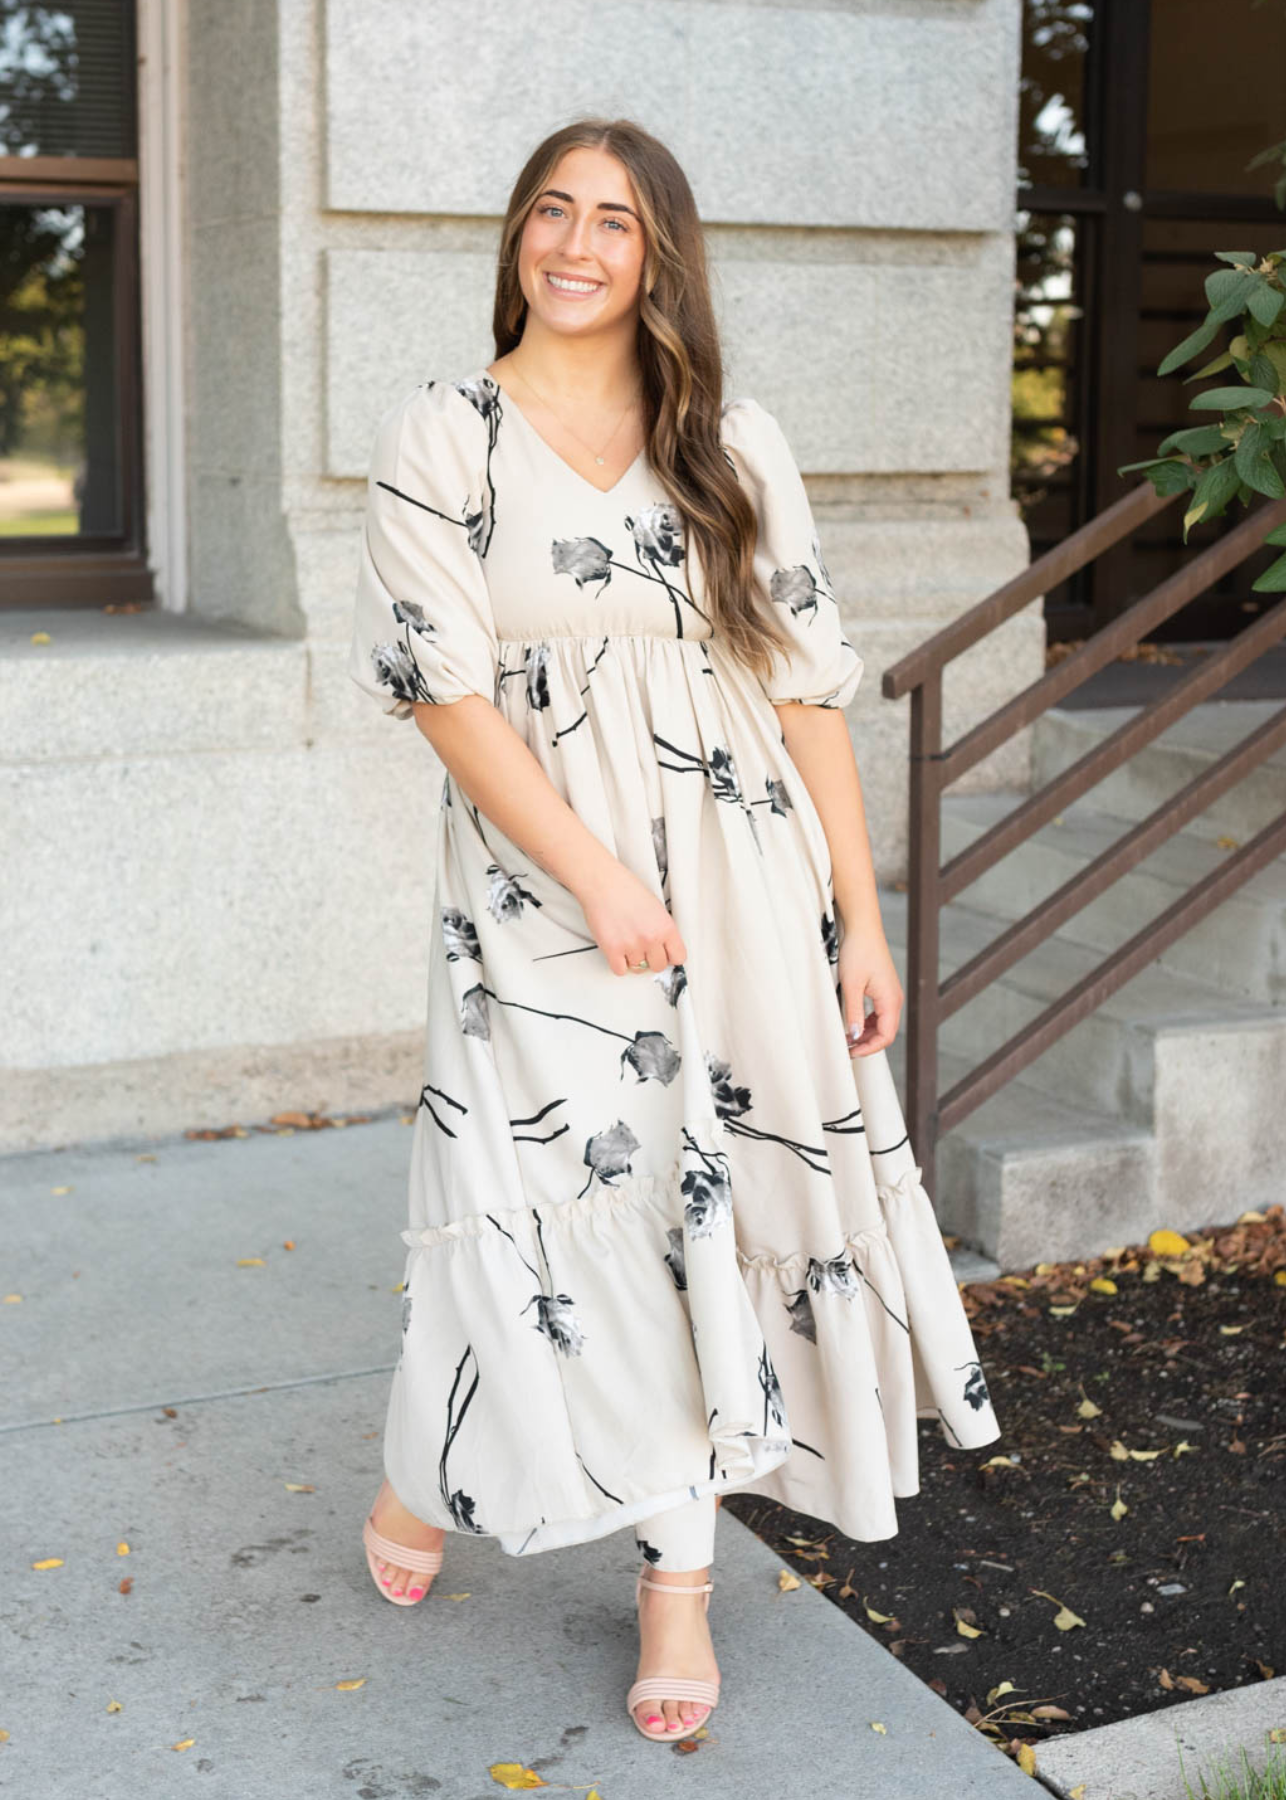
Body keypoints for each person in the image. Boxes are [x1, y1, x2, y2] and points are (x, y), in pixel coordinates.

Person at [347, 116, 1002, 1743]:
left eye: (615, 223)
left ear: (660, 257)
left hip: (744, 883)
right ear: (515, 235)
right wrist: (593, 874)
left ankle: (676, 1582)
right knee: (536, 1199)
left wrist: (862, 919)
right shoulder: (447, 433)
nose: (575, 244)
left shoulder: (732, 441)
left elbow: (807, 695)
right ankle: (432, 1454)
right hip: (540, 898)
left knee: (703, 1204)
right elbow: (441, 687)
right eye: (551, 213)